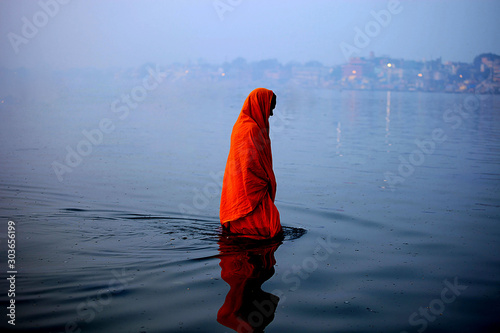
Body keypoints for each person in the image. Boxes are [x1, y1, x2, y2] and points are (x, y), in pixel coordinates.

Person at [219, 88, 282, 239]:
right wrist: (265, 180)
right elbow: (248, 165)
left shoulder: (243, 125)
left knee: (267, 228)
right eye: (270, 109)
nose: (271, 114)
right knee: (271, 228)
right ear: (259, 105)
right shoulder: (250, 129)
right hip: (251, 189)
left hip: (241, 187)